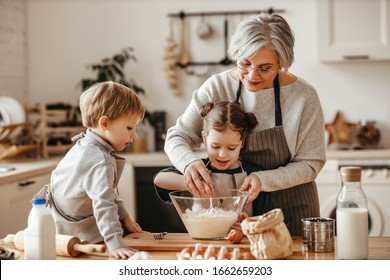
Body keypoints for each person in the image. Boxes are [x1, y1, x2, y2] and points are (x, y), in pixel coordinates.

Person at [163, 13, 326, 236]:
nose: (251, 75)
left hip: (291, 208)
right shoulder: (217, 86)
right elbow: (177, 136)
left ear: (282, 62)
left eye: (265, 68)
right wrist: (188, 162)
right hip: (232, 215)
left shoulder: (303, 97)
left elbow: (310, 163)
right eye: (245, 63)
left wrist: (263, 179)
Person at [43, 81, 144, 259]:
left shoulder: (86, 144)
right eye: (129, 127)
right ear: (105, 123)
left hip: (57, 221)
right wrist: (115, 244)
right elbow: (104, 204)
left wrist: (125, 216)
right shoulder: (100, 161)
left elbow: (108, 191)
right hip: (77, 231)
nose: (134, 135)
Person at [154, 101, 274, 220]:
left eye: (231, 148)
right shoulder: (198, 169)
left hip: (244, 238)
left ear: (242, 142)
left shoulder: (253, 175)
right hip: (201, 238)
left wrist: (248, 223)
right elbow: (159, 180)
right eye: (215, 147)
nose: (222, 155)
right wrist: (193, 183)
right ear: (205, 138)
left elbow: (267, 219)